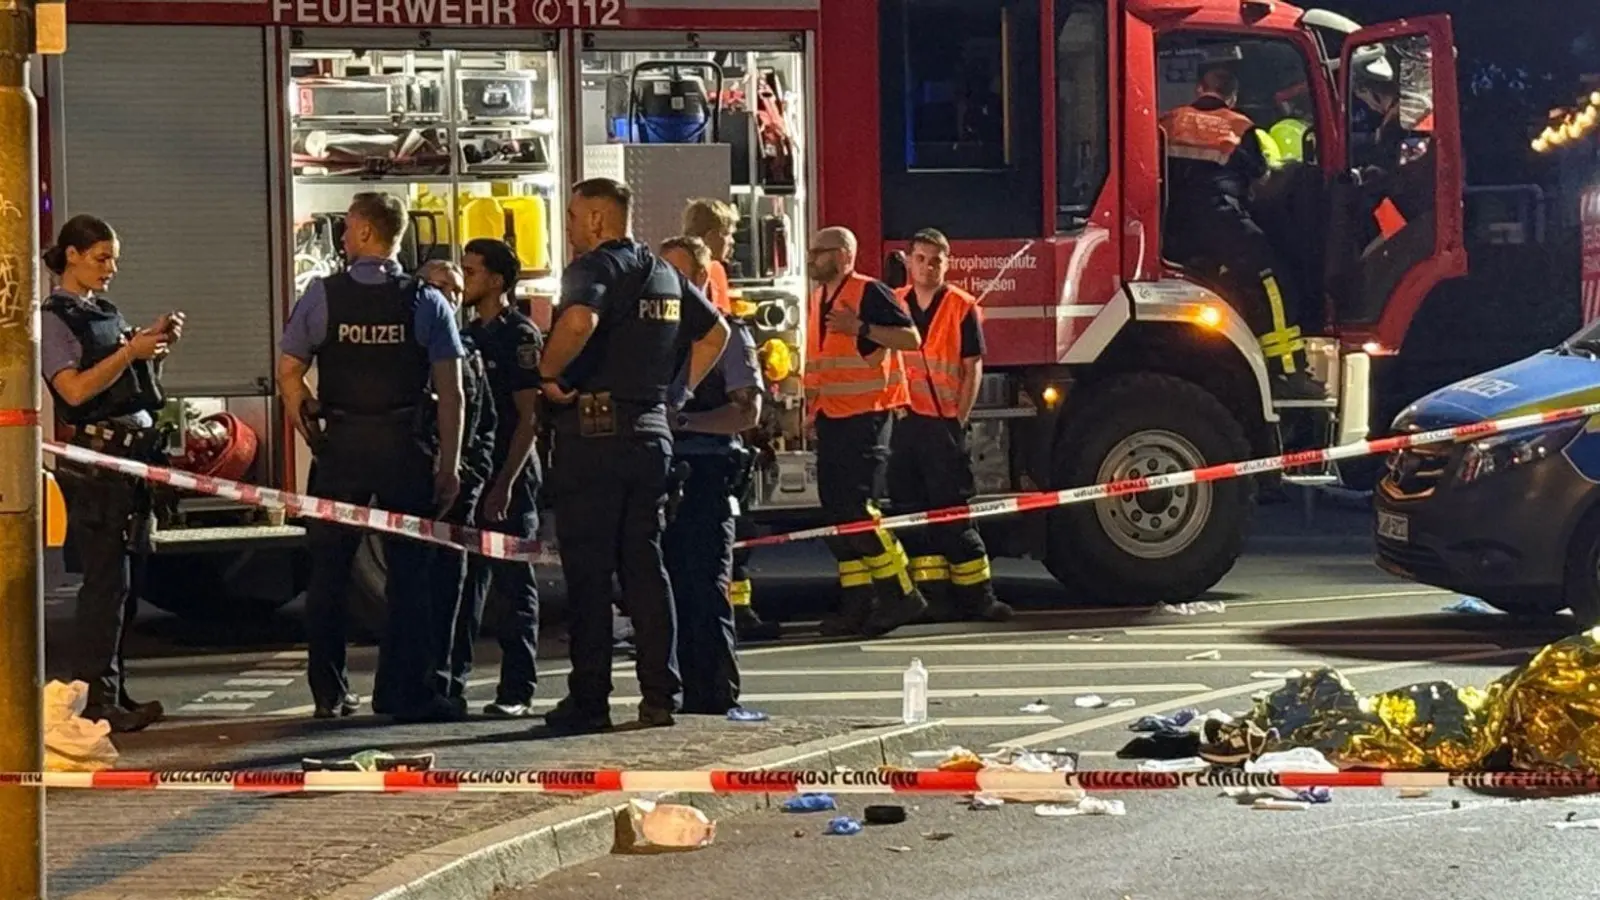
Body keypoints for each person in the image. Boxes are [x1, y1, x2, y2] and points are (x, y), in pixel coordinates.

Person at [537, 178, 730, 731]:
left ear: (597, 219)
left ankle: (590, 699)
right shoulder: (665, 273)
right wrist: (677, 394)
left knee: (591, 574)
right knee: (647, 569)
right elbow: (714, 333)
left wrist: (549, 373)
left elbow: (579, 321)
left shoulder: (595, 268)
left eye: (573, 216)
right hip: (652, 436)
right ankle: (659, 695)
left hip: (593, 436)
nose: (570, 228)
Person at [278, 192, 466, 721]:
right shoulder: (426, 300)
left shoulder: (323, 295)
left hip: (342, 448)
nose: (342, 239)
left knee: (329, 575)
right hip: (405, 446)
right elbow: (452, 392)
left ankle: (328, 693)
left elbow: (288, 369)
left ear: (363, 232)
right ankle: (402, 691)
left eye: (347, 229)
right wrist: (448, 464)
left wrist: (303, 414)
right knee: (410, 575)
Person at [41, 215, 181, 733]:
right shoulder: (55, 319)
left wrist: (152, 351)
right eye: (101, 257)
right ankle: (93, 702)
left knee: (127, 585)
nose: (110, 269)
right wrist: (129, 351)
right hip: (96, 467)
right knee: (104, 585)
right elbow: (74, 391)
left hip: (130, 461)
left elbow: (128, 384)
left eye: (114, 258)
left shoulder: (103, 312)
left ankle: (112, 691)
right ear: (71, 255)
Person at [1159, 67, 1325, 400]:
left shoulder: (1169, 120)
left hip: (1169, 228)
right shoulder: (1240, 126)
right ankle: (1288, 372)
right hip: (1221, 221)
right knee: (1272, 280)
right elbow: (1260, 179)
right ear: (1232, 97)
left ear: (1199, 89)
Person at [803, 226, 927, 638]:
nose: (812, 258)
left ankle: (900, 594)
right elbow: (822, 360)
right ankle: (857, 604)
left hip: (866, 415)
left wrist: (860, 328)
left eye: (819, 252)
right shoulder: (819, 297)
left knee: (857, 511)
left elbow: (911, 337)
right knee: (837, 514)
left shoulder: (869, 292)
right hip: (833, 417)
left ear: (842, 255)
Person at [659, 235, 764, 714]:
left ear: (703, 278)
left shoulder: (728, 335)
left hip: (706, 470)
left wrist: (683, 421)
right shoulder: (654, 334)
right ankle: (676, 688)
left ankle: (715, 693)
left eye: (679, 274)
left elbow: (748, 414)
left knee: (705, 588)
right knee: (668, 588)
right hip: (660, 473)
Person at [888, 229, 1013, 624]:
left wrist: (959, 418)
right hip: (906, 422)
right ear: (909, 261)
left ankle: (979, 597)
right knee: (911, 512)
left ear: (948, 262)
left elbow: (972, 367)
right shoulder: (895, 303)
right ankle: (932, 595)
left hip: (942, 423)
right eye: (922, 259)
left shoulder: (962, 305)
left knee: (953, 513)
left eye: (936, 260)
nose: (928, 267)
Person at [681, 197, 779, 642]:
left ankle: (733, 614)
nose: (732, 241)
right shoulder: (710, 275)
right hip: (708, 444)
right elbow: (720, 337)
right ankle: (733, 615)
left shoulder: (691, 274)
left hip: (698, 443)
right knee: (715, 546)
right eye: (728, 232)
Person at [455, 239, 545, 718]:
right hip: (477, 472)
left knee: (514, 586)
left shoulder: (519, 335)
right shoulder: (469, 334)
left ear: (495, 280)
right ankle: (455, 683)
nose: (465, 279)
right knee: (468, 586)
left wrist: (506, 483)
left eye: (472, 271)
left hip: (512, 475)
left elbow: (528, 417)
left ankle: (517, 690)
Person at [416, 259, 502, 715]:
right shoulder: (415, 347)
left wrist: (473, 476)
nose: (450, 296)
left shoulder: (468, 350)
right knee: (418, 588)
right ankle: (423, 677)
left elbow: (485, 420)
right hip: (420, 484)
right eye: (439, 288)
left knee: (458, 589)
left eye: (455, 288)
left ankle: (452, 678)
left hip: (461, 486)